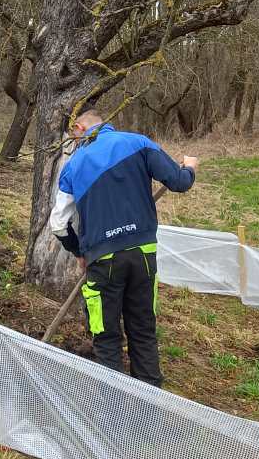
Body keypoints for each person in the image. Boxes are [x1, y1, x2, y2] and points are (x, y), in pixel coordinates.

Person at [49, 109, 199, 387]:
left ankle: (116, 412)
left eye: (74, 135)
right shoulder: (138, 143)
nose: (74, 142)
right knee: (143, 331)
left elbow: (58, 224)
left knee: (105, 338)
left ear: (81, 128)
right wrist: (189, 166)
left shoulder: (73, 166)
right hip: (142, 254)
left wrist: (79, 251)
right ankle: (149, 408)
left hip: (102, 260)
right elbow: (178, 182)